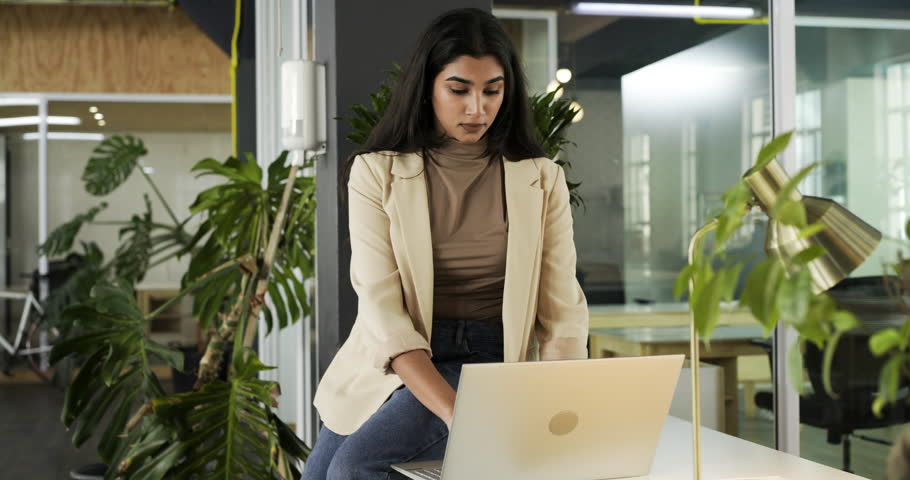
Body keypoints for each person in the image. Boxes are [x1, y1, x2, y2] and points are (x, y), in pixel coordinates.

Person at [302, 7, 589, 480]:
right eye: (459, 90)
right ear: (428, 87)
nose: (477, 108)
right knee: (319, 475)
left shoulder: (541, 178)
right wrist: (458, 417)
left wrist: (558, 415)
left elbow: (561, 310)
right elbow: (383, 311)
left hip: (488, 361)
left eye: (492, 91)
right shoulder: (377, 172)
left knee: (353, 471)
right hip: (400, 357)